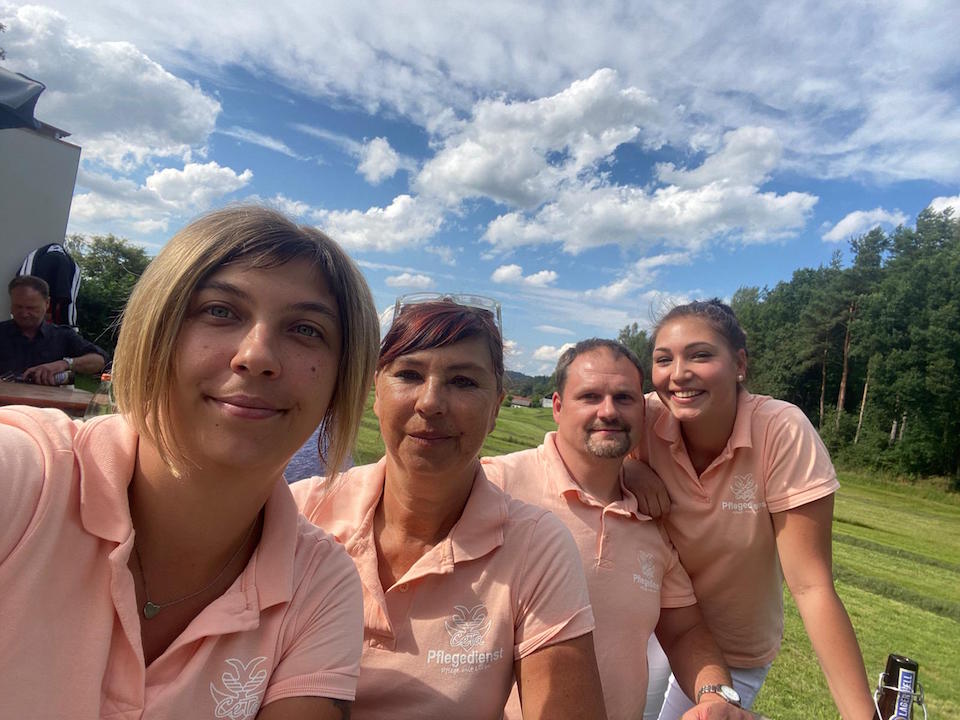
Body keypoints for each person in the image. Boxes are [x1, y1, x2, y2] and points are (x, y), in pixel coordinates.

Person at [0, 206, 380, 719]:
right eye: (220, 311)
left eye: (307, 330)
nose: (257, 356)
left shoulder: (321, 585)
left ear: (341, 379)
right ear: (155, 329)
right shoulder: (27, 475)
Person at [292, 296, 607, 720]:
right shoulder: (302, 511)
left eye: (463, 382)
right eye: (409, 374)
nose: (431, 402)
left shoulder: (535, 547)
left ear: (495, 408)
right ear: (376, 392)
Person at [481, 339, 756, 720]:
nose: (608, 411)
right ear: (557, 407)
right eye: (590, 396)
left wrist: (715, 695)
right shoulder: (496, 485)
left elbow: (684, 631)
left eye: (624, 398)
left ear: (642, 412)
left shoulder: (650, 518)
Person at [632, 299, 876, 720]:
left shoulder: (781, 430)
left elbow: (811, 587)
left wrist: (863, 716)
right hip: (657, 623)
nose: (678, 373)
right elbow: (575, 445)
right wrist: (627, 467)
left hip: (734, 647)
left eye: (700, 355)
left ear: (740, 364)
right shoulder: (644, 417)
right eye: (663, 359)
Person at [1, 274, 107, 383]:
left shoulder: (62, 336)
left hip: (48, 394)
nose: (24, 314)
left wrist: (65, 364)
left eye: (31, 308)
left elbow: (99, 360)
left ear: (47, 303)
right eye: (18, 307)